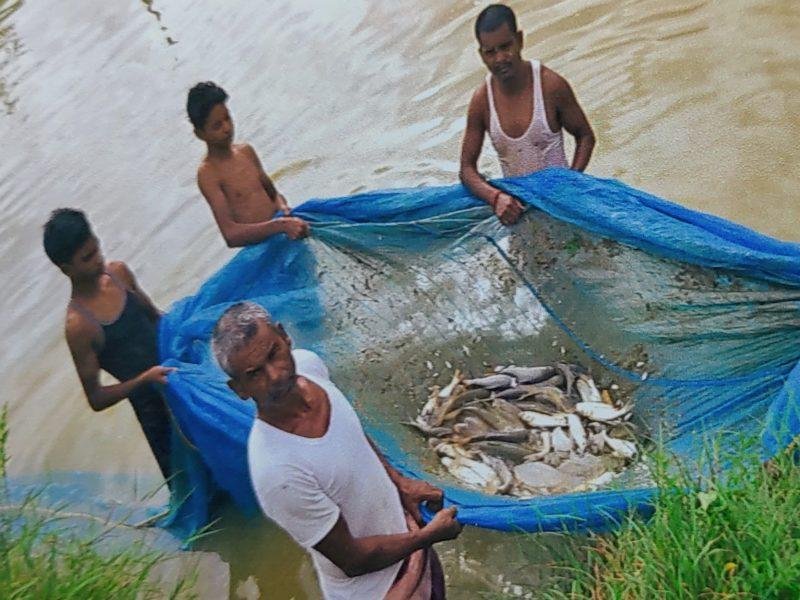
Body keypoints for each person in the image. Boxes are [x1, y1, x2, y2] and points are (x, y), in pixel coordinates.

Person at [212, 302, 462, 599]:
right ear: (239, 389)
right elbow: (353, 560)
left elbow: (351, 436)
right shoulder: (278, 471)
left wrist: (399, 482)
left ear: (285, 337)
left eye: (274, 354)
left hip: (412, 549)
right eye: (255, 373)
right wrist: (427, 536)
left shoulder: (309, 366)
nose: (275, 375)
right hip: (380, 591)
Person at [43, 208, 174, 482]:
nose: (99, 259)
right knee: (199, 497)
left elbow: (156, 317)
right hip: (155, 415)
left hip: (180, 383)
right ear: (67, 269)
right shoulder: (80, 325)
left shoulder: (119, 273)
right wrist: (144, 380)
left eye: (97, 248)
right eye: (88, 258)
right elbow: (97, 398)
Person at [459, 4, 596, 225]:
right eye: (490, 52)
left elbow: (585, 136)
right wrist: (496, 197)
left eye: (506, 46)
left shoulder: (550, 86)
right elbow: (467, 170)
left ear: (520, 40)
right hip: (517, 215)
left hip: (563, 208)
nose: (500, 58)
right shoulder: (482, 101)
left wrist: (572, 180)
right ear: (481, 55)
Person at [187, 81, 310, 247]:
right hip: (262, 250)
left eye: (227, 118)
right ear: (200, 134)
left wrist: (283, 208)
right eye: (217, 126)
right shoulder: (208, 175)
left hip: (285, 234)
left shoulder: (246, 151)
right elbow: (231, 235)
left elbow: (273, 194)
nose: (227, 128)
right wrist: (278, 226)